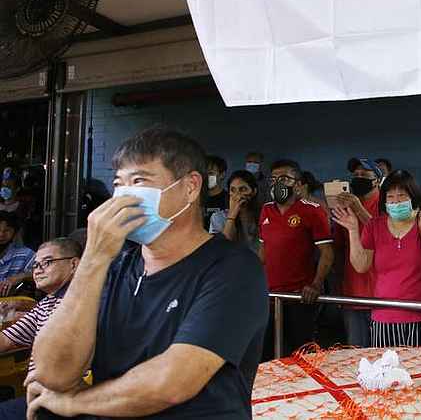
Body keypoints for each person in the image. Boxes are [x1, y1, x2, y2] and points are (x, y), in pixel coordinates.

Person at [28, 126, 268, 418]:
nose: (123, 197)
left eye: (139, 181)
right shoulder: (113, 267)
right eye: (119, 184)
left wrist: (74, 402)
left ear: (190, 187)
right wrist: (92, 258)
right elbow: (52, 373)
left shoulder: (233, 268)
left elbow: (173, 381)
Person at [333, 170, 421, 348]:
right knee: (386, 366)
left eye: (401, 196)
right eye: (390, 197)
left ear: (413, 197)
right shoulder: (374, 226)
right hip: (383, 317)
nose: (395, 201)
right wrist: (353, 231)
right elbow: (361, 266)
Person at [259, 159, 334, 359]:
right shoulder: (266, 210)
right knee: (266, 355)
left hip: (299, 297)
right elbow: (263, 250)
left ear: (298, 184)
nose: (278, 184)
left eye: (284, 179)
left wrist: (316, 284)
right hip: (270, 297)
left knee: (302, 355)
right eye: (274, 179)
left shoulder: (312, 210)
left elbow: (327, 252)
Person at [0, 237, 81, 419]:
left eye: (47, 262)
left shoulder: (85, 301)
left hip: (67, 400)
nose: (37, 270)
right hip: (39, 398)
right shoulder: (47, 303)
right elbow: (5, 340)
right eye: (35, 265)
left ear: (74, 264)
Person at [332, 158, 383, 347]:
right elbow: (338, 247)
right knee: (356, 352)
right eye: (356, 175)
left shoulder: (387, 202)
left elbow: (384, 235)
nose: (359, 178)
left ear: (377, 180)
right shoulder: (346, 207)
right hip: (352, 294)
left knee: (385, 352)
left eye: (364, 174)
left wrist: (358, 208)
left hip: (382, 295)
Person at [209, 170, 261, 253]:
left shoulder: (263, 215)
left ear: (254, 191)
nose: (237, 194)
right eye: (233, 190)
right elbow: (221, 249)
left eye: (243, 189)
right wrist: (232, 215)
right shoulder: (218, 217)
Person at [0, 213, 34, 296]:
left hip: (13, 301)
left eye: (7, 230)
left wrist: (21, 276)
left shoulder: (26, 254)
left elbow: (44, 273)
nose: (1, 234)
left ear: (14, 233)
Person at [202, 155, 228, 229]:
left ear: (222, 175)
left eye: (211, 173)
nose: (206, 177)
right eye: (204, 173)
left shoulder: (229, 200)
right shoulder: (195, 199)